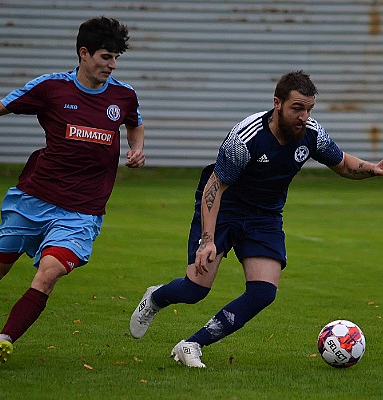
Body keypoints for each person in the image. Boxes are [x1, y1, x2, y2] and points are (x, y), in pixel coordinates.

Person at [130, 70, 383, 368]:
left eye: (309, 109)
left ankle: (192, 344)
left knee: (263, 292)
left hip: (264, 217)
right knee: (195, 289)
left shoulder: (311, 133)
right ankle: (156, 297)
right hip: (224, 210)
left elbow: (341, 163)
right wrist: (208, 241)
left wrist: (373, 168)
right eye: (297, 108)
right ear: (277, 104)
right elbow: (215, 186)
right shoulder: (246, 137)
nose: (304, 116)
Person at [0, 16, 145, 369]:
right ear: (84, 54)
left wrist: (137, 148)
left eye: (116, 58)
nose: (112, 65)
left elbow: (134, 123)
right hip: (34, 200)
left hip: (82, 211)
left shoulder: (124, 95)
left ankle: (3, 340)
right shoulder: (51, 87)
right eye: (105, 57)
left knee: (50, 272)